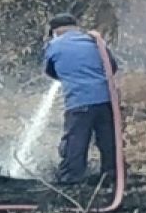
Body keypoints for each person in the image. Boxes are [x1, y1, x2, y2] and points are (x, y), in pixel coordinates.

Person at [43, 13, 119, 186]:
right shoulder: (94, 42)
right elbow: (112, 66)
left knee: (75, 142)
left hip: (79, 102)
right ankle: (112, 177)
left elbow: (50, 71)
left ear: (55, 31)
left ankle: (71, 180)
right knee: (108, 141)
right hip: (106, 101)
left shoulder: (53, 45)